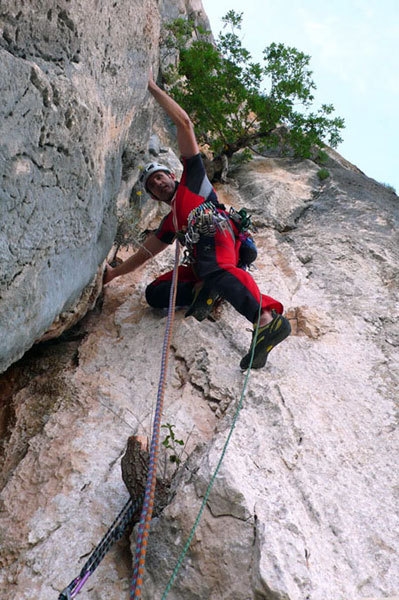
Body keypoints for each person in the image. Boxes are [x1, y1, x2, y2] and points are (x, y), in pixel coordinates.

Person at [104, 71, 291, 369]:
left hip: (217, 236)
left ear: (172, 175)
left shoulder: (194, 181)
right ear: (152, 196)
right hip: (206, 261)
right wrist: (114, 275)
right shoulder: (170, 223)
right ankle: (206, 290)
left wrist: (153, 87)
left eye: (160, 177)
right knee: (155, 293)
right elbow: (143, 255)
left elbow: (184, 123)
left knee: (214, 267)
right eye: (152, 185)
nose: (158, 184)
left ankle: (264, 318)